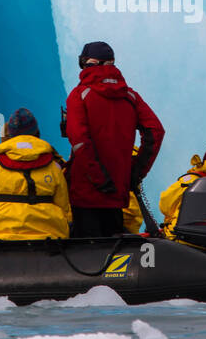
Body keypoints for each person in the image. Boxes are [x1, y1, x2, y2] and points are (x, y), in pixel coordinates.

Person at [63, 41, 164, 237]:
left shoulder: (79, 95)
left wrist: (98, 179)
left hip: (86, 193)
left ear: (87, 63)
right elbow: (155, 131)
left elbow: (80, 142)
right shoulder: (130, 96)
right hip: (117, 191)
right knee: (115, 256)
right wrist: (135, 171)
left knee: (87, 256)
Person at [0, 109, 70, 240]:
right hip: (49, 236)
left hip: (1, 236)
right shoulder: (53, 165)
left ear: (10, 133)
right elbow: (63, 205)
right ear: (36, 133)